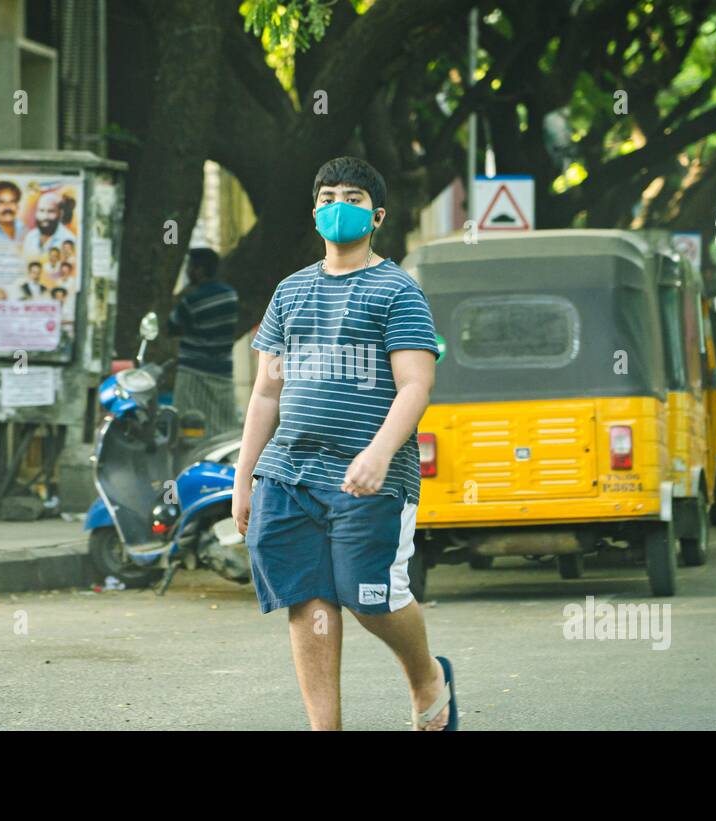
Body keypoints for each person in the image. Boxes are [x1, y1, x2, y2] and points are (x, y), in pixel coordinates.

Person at [231, 157, 456, 731]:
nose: (338, 206)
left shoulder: (397, 289)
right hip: (288, 474)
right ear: (314, 212)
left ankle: (426, 674)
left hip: (372, 477)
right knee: (307, 602)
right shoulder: (289, 292)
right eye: (328, 195)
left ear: (376, 215)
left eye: (352, 198)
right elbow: (265, 395)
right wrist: (244, 477)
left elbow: (415, 384)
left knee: (369, 598)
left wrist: (378, 452)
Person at [166, 248, 239, 433]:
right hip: (222, 373)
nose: (188, 272)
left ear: (198, 270)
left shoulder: (192, 300)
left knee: (187, 427)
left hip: (193, 373)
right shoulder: (230, 295)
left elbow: (172, 326)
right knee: (224, 427)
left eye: (189, 267)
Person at [22, 191, 75, 259]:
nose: (45, 216)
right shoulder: (30, 237)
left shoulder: (69, 239)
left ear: (60, 213)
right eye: (41, 210)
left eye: (50, 211)